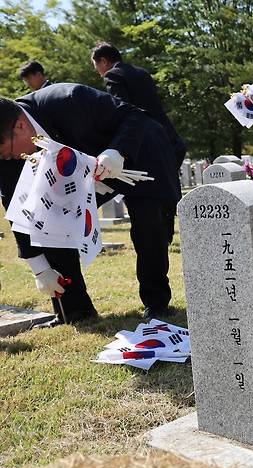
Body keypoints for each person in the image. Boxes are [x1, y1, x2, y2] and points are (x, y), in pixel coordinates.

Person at [0, 83, 181, 327]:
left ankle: (156, 303)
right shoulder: (8, 154)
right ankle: (75, 311)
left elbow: (134, 116)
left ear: (20, 126)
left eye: (7, 152)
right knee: (49, 220)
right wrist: (39, 268)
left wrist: (116, 151)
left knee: (149, 226)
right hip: (81, 178)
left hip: (135, 156)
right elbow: (18, 208)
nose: (7, 159)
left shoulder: (68, 99)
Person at [91, 42, 187, 165]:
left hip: (145, 142)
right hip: (167, 136)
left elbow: (122, 110)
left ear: (104, 61)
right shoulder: (142, 73)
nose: (97, 72)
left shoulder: (113, 75)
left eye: (96, 66)